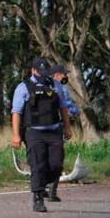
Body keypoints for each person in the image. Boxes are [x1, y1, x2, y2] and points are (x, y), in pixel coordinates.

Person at [11, 58, 72, 213]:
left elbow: (63, 107)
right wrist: (16, 135)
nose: (43, 75)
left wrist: (67, 128)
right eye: (40, 72)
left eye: (45, 72)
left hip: (54, 131)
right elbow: (16, 112)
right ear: (33, 70)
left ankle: (44, 183)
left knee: (56, 164)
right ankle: (38, 198)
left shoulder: (55, 85)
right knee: (37, 164)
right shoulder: (23, 87)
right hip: (34, 132)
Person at [47, 64, 79, 202]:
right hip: (56, 127)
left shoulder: (40, 86)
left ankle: (42, 186)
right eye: (64, 74)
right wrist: (77, 110)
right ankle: (52, 191)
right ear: (57, 75)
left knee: (44, 158)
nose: (66, 77)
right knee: (57, 159)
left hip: (39, 128)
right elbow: (70, 108)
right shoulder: (61, 89)